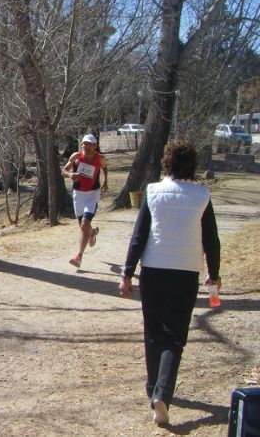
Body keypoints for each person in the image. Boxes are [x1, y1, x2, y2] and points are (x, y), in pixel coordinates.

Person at [118, 140, 221, 426]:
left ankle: (154, 390)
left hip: (152, 270)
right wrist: (214, 273)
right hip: (185, 272)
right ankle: (162, 393)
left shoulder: (152, 191)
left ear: (166, 162)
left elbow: (139, 236)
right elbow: (211, 240)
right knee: (174, 336)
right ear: (192, 165)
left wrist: (127, 273)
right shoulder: (201, 195)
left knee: (153, 332)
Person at [62, 133, 108, 267]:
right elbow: (64, 170)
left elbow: (104, 168)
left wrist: (105, 182)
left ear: (95, 146)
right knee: (83, 227)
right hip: (78, 194)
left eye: (89, 144)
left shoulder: (100, 158)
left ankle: (79, 257)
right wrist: (70, 174)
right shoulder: (76, 157)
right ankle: (92, 233)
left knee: (84, 224)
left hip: (93, 194)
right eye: (84, 143)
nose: (85, 146)